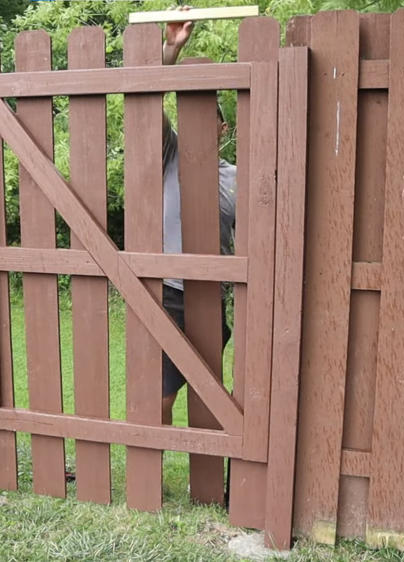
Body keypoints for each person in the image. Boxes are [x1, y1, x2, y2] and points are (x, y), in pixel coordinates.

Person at [159, 9, 237, 426]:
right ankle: (152, 476)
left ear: (222, 128)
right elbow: (145, 99)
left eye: (209, 117)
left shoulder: (236, 180)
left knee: (209, 397)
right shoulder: (170, 156)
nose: (199, 124)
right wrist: (171, 49)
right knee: (161, 397)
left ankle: (201, 480)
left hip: (212, 298)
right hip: (169, 296)